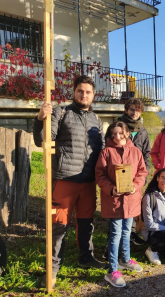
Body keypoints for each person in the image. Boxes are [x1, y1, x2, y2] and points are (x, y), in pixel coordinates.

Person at [33, 75, 105, 287]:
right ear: (74, 92)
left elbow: (101, 151)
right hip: (65, 179)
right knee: (58, 225)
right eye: (80, 91)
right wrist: (39, 119)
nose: (84, 95)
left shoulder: (97, 120)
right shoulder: (61, 112)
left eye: (88, 92)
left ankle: (86, 257)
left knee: (86, 223)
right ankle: (52, 269)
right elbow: (43, 141)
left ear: (93, 95)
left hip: (89, 182)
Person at [95, 121, 148, 287]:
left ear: (126, 133)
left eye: (120, 133)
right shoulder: (106, 152)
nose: (117, 137)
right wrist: (111, 189)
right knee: (115, 233)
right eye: (113, 134)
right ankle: (112, 270)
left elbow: (142, 172)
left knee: (126, 232)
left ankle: (125, 259)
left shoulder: (136, 151)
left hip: (131, 199)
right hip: (114, 200)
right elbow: (100, 175)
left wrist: (135, 186)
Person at [117, 98, 151, 246]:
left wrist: (145, 173)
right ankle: (116, 237)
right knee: (119, 205)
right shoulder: (118, 126)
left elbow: (146, 154)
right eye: (132, 109)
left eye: (138, 110)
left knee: (133, 204)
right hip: (120, 172)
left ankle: (130, 234)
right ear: (126, 110)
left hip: (137, 175)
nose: (135, 113)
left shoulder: (142, 131)